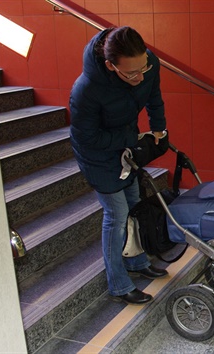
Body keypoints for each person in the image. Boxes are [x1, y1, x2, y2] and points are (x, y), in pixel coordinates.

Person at [70, 26, 168, 305]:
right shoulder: (86, 90)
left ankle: (137, 262)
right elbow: (88, 137)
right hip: (96, 155)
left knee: (135, 202)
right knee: (118, 214)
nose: (139, 77)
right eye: (130, 74)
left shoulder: (148, 64)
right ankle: (118, 283)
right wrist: (131, 138)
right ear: (110, 65)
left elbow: (153, 94)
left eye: (143, 68)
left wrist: (158, 127)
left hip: (124, 144)